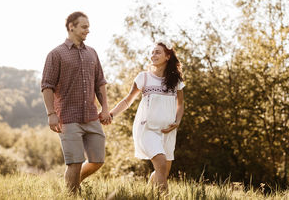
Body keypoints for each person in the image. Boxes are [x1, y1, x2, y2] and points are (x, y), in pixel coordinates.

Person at [41, 11, 112, 193]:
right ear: (71, 27)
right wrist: (51, 114)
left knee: (98, 160)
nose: (88, 30)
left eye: (88, 27)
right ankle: (71, 194)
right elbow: (47, 86)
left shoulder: (92, 53)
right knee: (75, 162)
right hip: (68, 117)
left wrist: (105, 108)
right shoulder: (56, 54)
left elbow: (100, 83)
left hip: (91, 115)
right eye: (84, 27)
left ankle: (73, 184)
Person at [109, 42, 185, 191]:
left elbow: (180, 104)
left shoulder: (176, 81)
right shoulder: (143, 77)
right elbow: (127, 100)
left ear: (167, 56)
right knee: (161, 164)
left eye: (157, 52)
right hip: (147, 129)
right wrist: (111, 114)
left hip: (168, 131)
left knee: (162, 172)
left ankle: (149, 193)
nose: (153, 55)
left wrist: (177, 121)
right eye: (152, 52)